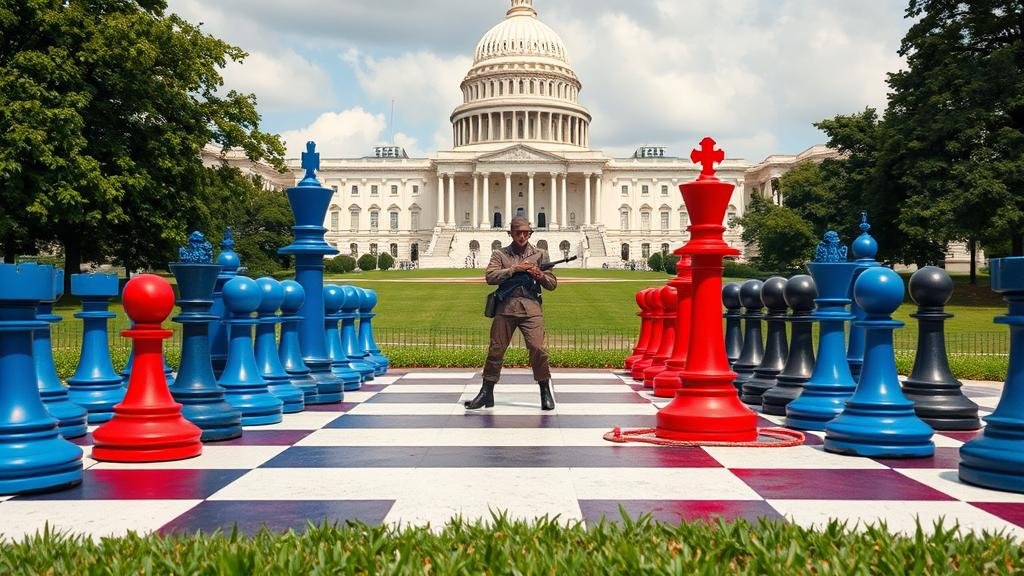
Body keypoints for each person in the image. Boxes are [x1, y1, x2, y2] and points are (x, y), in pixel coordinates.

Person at [465, 217, 557, 410]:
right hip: (505, 308)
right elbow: (490, 276)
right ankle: (486, 393)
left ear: (530, 233)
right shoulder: (500, 254)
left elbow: (552, 284)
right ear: (511, 234)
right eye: (518, 233)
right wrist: (514, 269)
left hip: (531, 309)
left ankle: (545, 390)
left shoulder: (540, 254)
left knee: (538, 349)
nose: (522, 236)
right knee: (496, 350)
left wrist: (538, 274)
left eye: (526, 233)